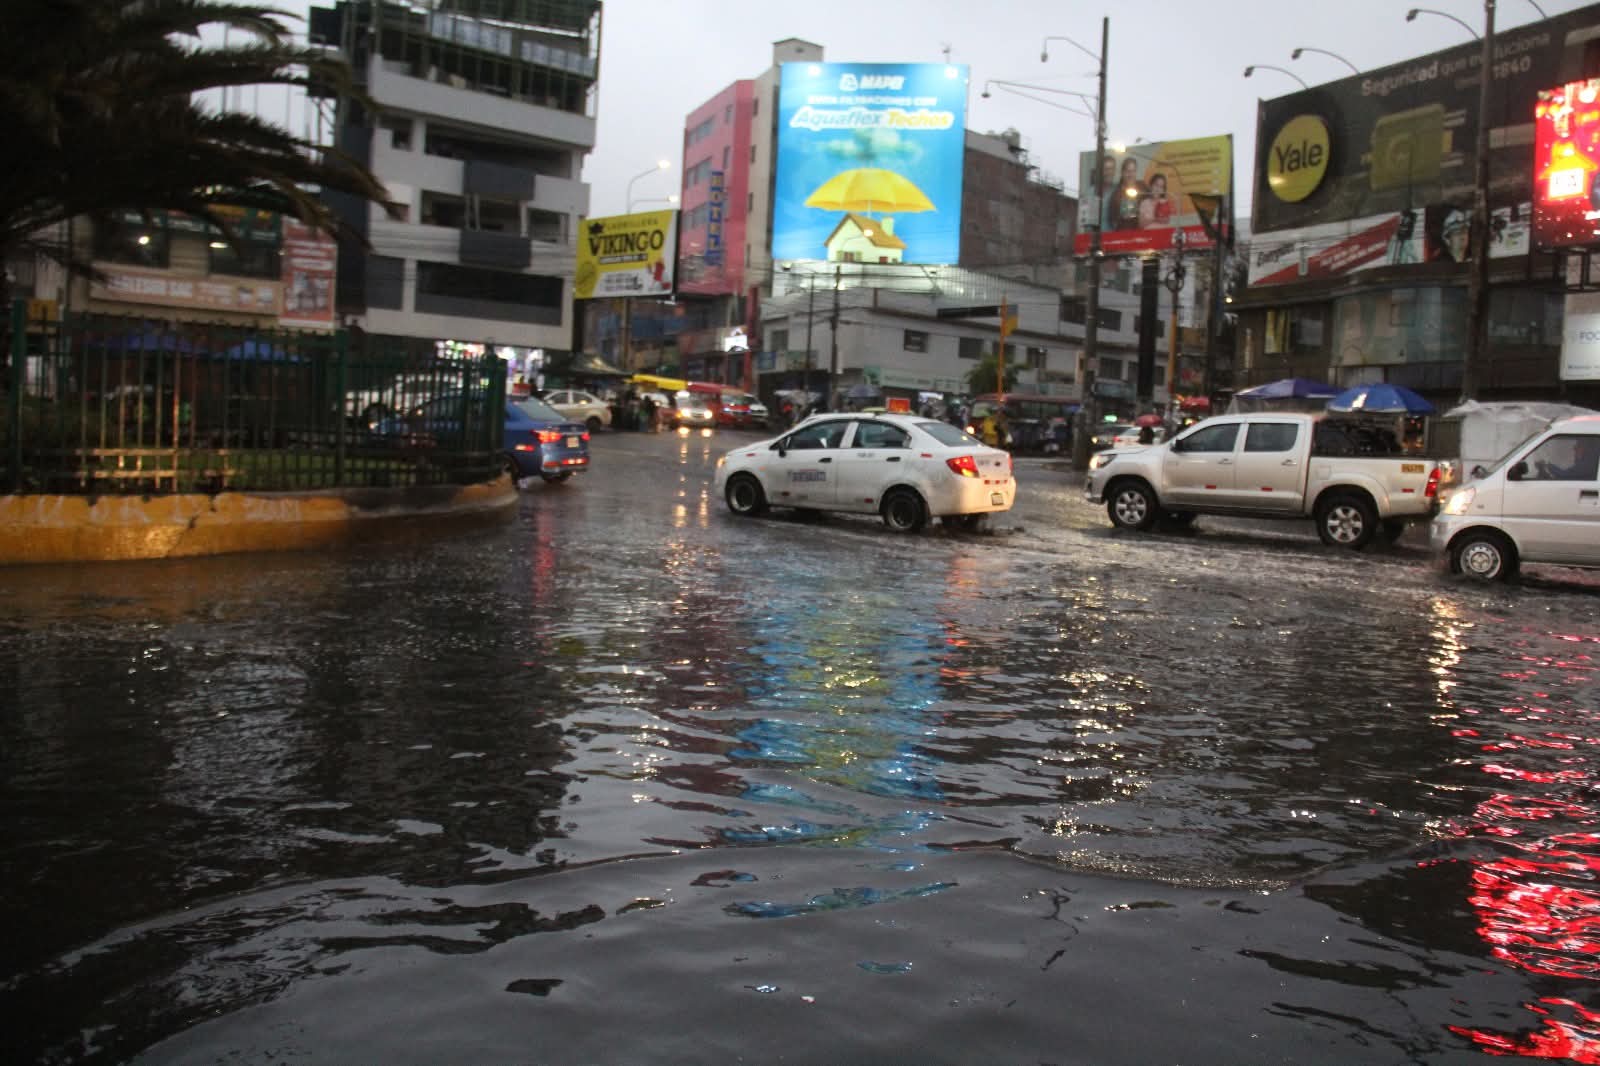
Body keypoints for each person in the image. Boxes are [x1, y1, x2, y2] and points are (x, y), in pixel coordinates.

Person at [1115, 156, 1147, 231]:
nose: (1131, 174)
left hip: (1142, 232)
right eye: (1128, 171)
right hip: (1124, 233)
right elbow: (1114, 221)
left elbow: (1152, 202)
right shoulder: (1117, 194)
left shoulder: (1142, 186)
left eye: (1133, 171)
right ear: (1122, 173)